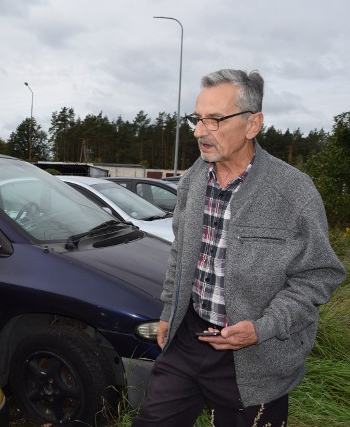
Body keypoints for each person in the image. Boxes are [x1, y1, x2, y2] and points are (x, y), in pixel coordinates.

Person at [132, 69, 346, 427]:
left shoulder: (295, 192)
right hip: (189, 337)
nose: (200, 131)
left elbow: (318, 276)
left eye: (215, 120)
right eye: (197, 119)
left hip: (255, 357)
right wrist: (170, 311)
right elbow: (180, 258)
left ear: (252, 124)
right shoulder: (192, 181)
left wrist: (263, 327)